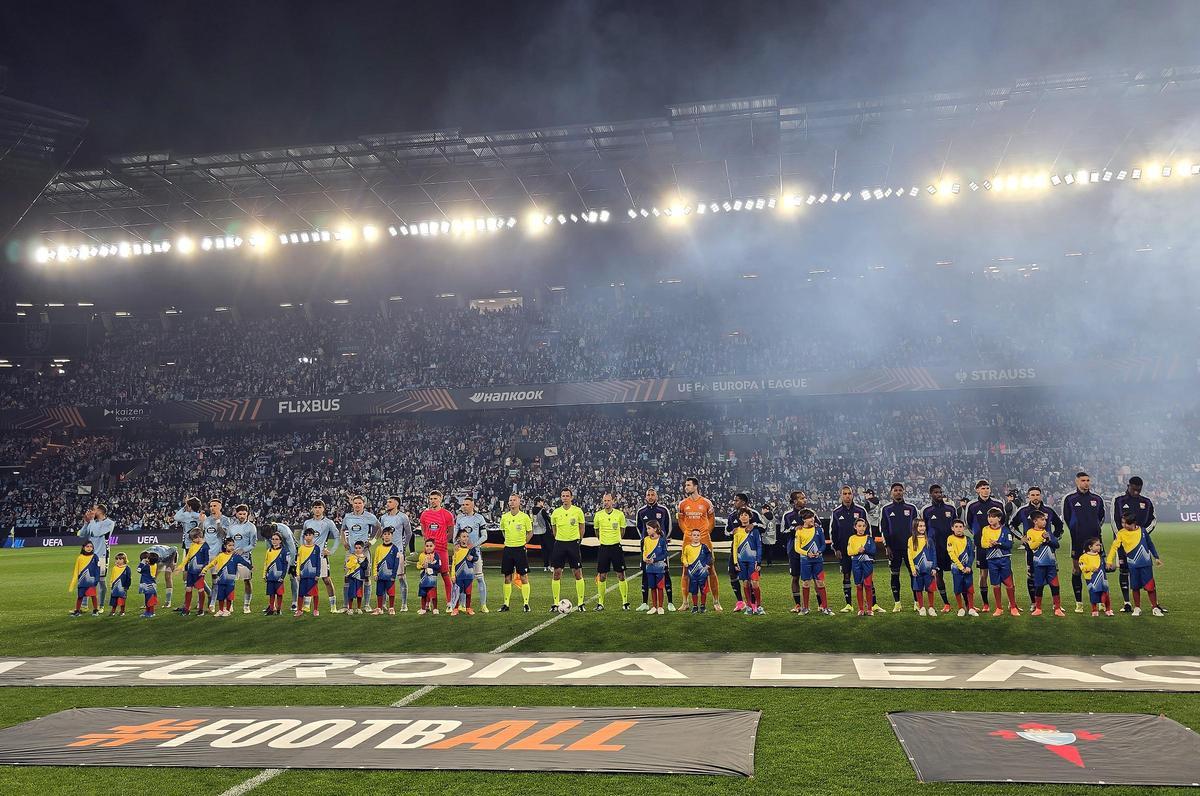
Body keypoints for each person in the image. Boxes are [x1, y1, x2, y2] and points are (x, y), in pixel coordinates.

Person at [1113, 476, 1162, 613]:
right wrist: (1123, 538)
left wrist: (1142, 534)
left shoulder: (1146, 501)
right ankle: (1127, 603)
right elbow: (1114, 521)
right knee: (1124, 569)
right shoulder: (1119, 500)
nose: (1136, 492)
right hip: (1123, 544)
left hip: (1141, 544)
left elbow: (1153, 519)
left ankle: (1154, 605)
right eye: (1134, 489)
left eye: (1139, 490)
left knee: (1146, 574)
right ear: (1128, 486)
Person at [1009, 486, 1064, 603]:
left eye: (1037, 495)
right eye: (1032, 495)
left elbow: (1060, 525)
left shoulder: (1049, 510)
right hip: (1031, 550)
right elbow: (1011, 525)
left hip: (1049, 550)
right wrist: (1021, 537)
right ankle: (1034, 603)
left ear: (1041, 495)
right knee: (1032, 575)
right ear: (1028, 496)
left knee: (1053, 575)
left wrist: (1054, 539)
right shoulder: (1023, 511)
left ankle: (1056, 605)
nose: (1035, 497)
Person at [1062, 472, 1105, 613]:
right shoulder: (1069, 499)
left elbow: (1101, 518)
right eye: (1083, 480)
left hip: (1095, 541)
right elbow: (1067, 519)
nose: (1086, 483)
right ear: (1077, 482)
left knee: (1098, 571)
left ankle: (1100, 603)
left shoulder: (1097, 499)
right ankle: (1079, 603)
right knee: (1077, 570)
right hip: (1078, 541)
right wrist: (1077, 531)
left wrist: (1095, 532)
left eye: (1088, 480)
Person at [1106, 511, 1164, 617]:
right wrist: (1109, 561)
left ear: (1133, 523)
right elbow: (1114, 547)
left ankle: (1155, 607)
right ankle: (1137, 608)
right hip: (1132, 565)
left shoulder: (1143, 531)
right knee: (1135, 587)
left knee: (1150, 587)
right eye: (1122, 523)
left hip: (1146, 564)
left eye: (1126, 523)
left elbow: (1150, 544)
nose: (1124, 525)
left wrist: (1156, 557)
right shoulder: (1121, 533)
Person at [678, 477, 720, 611]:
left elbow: (712, 521)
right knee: (685, 570)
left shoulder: (706, 502)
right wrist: (687, 533)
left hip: (704, 539)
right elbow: (680, 521)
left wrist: (705, 533)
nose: (686, 487)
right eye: (685, 485)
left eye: (688, 485)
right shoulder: (682, 504)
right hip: (688, 540)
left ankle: (716, 601)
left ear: (695, 486)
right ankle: (685, 602)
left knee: (711, 568)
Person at [965, 480, 1007, 611]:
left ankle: (1010, 603)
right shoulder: (972, 505)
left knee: (1004, 572)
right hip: (982, 546)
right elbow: (968, 523)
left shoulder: (998, 503)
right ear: (977, 490)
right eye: (982, 488)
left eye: (987, 488)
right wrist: (980, 537)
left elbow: (1004, 521)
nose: (986, 490)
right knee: (983, 574)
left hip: (997, 545)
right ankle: (985, 604)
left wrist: (996, 538)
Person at [920, 484, 959, 613]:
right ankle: (946, 603)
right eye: (936, 492)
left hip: (951, 547)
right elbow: (922, 529)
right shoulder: (926, 510)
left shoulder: (951, 509)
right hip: (935, 549)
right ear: (931, 494)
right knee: (938, 574)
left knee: (957, 573)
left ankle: (961, 602)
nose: (939, 494)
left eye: (940, 492)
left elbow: (957, 526)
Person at [880, 483, 919, 612]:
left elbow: (918, 527)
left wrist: (916, 545)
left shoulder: (912, 508)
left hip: (910, 548)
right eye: (895, 490)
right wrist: (887, 546)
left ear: (903, 492)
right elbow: (883, 528)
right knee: (894, 575)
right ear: (891, 493)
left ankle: (917, 602)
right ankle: (897, 603)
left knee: (914, 574)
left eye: (900, 490)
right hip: (894, 548)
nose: (898, 492)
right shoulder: (885, 509)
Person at [830, 486, 868, 613]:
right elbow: (833, 532)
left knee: (865, 576)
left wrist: (868, 546)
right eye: (845, 494)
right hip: (844, 551)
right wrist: (836, 548)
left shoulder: (861, 510)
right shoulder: (836, 512)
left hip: (861, 551)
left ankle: (869, 605)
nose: (847, 496)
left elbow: (868, 531)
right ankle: (848, 604)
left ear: (853, 495)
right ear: (841, 495)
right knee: (846, 575)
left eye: (849, 493)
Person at [549, 487, 587, 612]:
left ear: (571, 497)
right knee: (557, 573)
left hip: (573, 544)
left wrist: (578, 540)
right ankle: (555, 603)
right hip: (560, 544)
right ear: (561, 498)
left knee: (577, 573)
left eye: (567, 496)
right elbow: (554, 530)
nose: (565, 498)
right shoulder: (556, 512)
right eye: (563, 496)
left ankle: (581, 603)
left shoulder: (578, 511)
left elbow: (582, 528)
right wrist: (559, 538)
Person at [636, 488, 674, 611]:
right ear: (645, 497)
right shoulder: (641, 511)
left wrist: (661, 540)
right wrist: (644, 540)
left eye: (653, 495)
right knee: (646, 573)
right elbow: (639, 528)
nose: (651, 497)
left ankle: (670, 602)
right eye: (648, 495)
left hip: (660, 547)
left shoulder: (663, 510)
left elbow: (668, 527)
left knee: (665, 572)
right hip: (647, 548)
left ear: (656, 496)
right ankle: (644, 603)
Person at [726, 493, 766, 612]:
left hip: (751, 552)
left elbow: (763, 527)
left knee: (752, 579)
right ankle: (740, 602)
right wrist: (731, 532)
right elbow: (727, 531)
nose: (734, 502)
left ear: (743, 502)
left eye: (737, 500)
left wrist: (753, 525)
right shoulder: (732, 516)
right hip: (736, 551)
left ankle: (754, 604)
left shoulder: (754, 514)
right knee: (733, 574)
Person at [592, 493, 630, 611]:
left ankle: (625, 602)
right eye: (604, 500)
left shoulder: (619, 514)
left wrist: (615, 539)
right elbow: (597, 532)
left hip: (616, 547)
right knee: (602, 576)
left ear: (613, 501)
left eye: (608, 500)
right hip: (603, 547)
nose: (606, 502)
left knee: (621, 575)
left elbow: (622, 531)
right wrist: (604, 540)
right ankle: (600, 603)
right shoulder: (598, 515)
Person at [980, 507, 1020, 616]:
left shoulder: (1005, 530)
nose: (990, 519)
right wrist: (989, 544)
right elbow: (982, 543)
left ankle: (1013, 607)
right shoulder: (985, 529)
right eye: (989, 517)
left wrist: (999, 544)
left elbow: (1009, 545)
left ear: (999, 518)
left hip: (1004, 560)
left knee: (1009, 584)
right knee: (996, 585)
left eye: (993, 517)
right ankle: (999, 608)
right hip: (992, 561)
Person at [790, 509, 830, 615]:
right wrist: (807, 553)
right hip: (805, 561)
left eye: (812, 517)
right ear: (803, 519)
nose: (812, 519)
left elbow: (823, 544)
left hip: (818, 561)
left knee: (820, 583)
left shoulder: (819, 530)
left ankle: (825, 607)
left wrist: (819, 552)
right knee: (806, 583)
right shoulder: (799, 531)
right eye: (809, 517)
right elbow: (797, 548)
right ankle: (805, 608)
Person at [303, 500, 340, 613]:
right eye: (315, 507)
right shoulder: (307, 523)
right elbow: (302, 538)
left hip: (321, 557)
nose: (317, 509)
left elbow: (337, 537)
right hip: (309, 556)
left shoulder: (328, 523)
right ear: (312, 509)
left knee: (326, 580)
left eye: (319, 507)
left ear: (323, 509)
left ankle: (333, 606)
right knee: (309, 580)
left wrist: (331, 551)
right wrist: (302, 549)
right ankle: (307, 605)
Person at [1025, 510, 1064, 617]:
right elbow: (1032, 546)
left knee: (1055, 585)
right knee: (1038, 586)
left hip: (1051, 564)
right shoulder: (1030, 532)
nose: (1045, 521)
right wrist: (1042, 539)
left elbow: (1056, 544)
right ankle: (1038, 608)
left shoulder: (1048, 532)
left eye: (1045, 519)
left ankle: (1057, 608)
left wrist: (1049, 540)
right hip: (1039, 564)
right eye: (1042, 519)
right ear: (1035, 521)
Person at [419, 490, 456, 604]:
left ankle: (450, 602)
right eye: (431, 499)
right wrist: (427, 542)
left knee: (445, 574)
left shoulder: (447, 514)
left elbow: (451, 531)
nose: (433, 501)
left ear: (441, 499)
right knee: (429, 575)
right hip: (429, 551)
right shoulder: (425, 514)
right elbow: (423, 529)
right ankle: (429, 602)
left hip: (441, 549)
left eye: (435, 498)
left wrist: (444, 540)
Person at [499, 493, 533, 613]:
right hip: (508, 549)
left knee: (523, 576)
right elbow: (503, 530)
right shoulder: (505, 517)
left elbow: (530, 533)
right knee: (507, 577)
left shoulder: (524, 517)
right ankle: (506, 604)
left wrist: (522, 543)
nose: (512, 502)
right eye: (510, 500)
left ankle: (526, 604)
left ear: (519, 502)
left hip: (520, 549)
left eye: (514, 500)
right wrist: (509, 541)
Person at [78, 504, 114, 615]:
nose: (91, 511)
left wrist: (92, 521)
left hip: (102, 557)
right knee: (86, 580)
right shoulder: (93, 522)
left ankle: (101, 605)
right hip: (90, 556)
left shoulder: (109, 523)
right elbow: (81, 534)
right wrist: (86, 523)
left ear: (100, 511)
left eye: (94, 509)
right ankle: (84, 606)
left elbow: (97, 532)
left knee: (101, 582)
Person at [454, 496, 489, 613]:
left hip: (475, 553)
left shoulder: (479, 518)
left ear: (473, 505)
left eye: (467, 504)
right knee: (463, 579)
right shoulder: (459, 519)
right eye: (463, 505)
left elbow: (484, 536)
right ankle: (462, 605)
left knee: (479, 578)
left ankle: (483, 605)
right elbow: (455, 536)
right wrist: (456, 544)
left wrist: (473, 545)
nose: (464, 506)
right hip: (462, 554)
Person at [341, 495, 380, 599]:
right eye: (355, 503)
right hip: (351, 551)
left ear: (364, 504)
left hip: (364, 552)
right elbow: (343, 529)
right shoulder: (347, 517)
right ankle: (346, 605)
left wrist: (372, 541)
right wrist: (344, 541)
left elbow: (379, 528)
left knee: (366, 577)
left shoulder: (370, 516)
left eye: (359, 503)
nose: (357, 505)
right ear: (352, 504)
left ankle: (366, 604)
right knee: (347, 577)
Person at [380, 497, 413, 611]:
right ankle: (384, 603)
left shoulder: (403, 517)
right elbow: (382, 533)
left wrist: (404, 546)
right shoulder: (383, 518)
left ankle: (404, 604)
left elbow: (409, 533)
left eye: (390, 502)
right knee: (384, 577)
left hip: (398, 552)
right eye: (387, 502)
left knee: (401, 578)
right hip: (385, 552)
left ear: (397, 503)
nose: (387, 504)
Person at [202, 538, 249, 617]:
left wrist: (250, 567)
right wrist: (205, 569)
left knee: (229, 596)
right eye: (229, 545)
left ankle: (227, 610)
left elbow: (243, 562)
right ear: (225, 546)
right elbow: (213, 563)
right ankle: (220, 610)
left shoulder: (235, 556)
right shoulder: (220, 556)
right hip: (220, 581)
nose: (232, 547)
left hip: (230, 582)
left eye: (233, 545)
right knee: (221, 596)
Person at [261, 517, 299, 612]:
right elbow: (269, 550)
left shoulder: (284, 531)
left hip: (291, 553)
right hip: (277, 553)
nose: (269, 539)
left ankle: (295, 602)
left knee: (292, 576)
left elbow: (292, 549)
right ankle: (272, 605)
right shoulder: (268, 533)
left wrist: (291, 565)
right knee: (273, 577)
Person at [201, 498, 232, 612]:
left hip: (219, 555)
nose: (212, 508)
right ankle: (212, 598)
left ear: (220, 507)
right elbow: (200, 535)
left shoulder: (225, 520)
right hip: (207, 555)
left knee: (221, 580)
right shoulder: (207, 520)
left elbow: (223, 535)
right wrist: (201, 521)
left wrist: (218, 522)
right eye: (211, 506)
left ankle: (218, 603)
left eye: (214, 506)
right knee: (206, 578)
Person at [226, 504, 257, 614]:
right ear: (236, 514)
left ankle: (246, 605)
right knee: (230, 582)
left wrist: (243, 550)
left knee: (247, 581)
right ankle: (230, 605)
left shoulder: (251, 527)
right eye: (240, 514)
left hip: (245, 558)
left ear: (247, 514)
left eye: (244, 514)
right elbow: (227, 541)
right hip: (232, 559)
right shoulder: (232, 527)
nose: (242, 516)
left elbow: (253, 544)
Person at [907, 517, 938, 617]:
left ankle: (931, 607)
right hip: (917, 569)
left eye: (924, 526)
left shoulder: (929, 540)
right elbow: (910, 556)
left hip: (929, 569)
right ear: (915, 527)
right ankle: (922, 608)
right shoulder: (911, 540)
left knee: (930, 589)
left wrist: (934, 567)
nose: (922, 528)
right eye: (920, 526)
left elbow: (934, 554)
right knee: (918, 589)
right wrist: (912, 569)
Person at [946, 519, 979, 616]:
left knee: (969, 588)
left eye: (960, 527)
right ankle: (961, 608)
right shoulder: (950, 538)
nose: (959, 529)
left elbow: (971, 554)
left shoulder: (968, 539)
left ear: (964, 528)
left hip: (967, 569)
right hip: (956, 568)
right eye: (956, 527)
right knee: (957, 588)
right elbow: (951, 554)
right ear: (952, 528)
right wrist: (961, 567)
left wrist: (968, 566)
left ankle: (971, 608)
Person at [847, 517, 876, 616]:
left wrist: (865, 550)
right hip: (856, 563)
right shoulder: (852, 538)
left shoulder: (869, 538)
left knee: (868, 585)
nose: (861, 528)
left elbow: (873, 551)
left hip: (867, 564)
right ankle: (861, 609)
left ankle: (870, 609)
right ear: (855, 527)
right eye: (859, 526)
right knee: (859, 586)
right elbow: (849, 552)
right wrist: (857, 551)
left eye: (863, 526)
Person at [1078, 537, 1114, 616]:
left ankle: (1108, 609)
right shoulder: (1083, 557)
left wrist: (1111, 568)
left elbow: (1104, 567)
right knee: (1093, 593)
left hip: (1102, 579)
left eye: (1100, 545)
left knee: (1106, 593)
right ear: (1090, 547)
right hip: (1091, 579)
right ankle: (1094, 610)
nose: (1099, 547)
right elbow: (1082, 568)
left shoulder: (1100, 556)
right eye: (1097, 545)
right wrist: (1092, 569)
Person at [179, 527, 211, 616]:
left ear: (198, 537)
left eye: (193, 538)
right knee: (188, 589)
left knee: (200, 590)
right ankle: (186, 609)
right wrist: (181, 566)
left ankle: (201, 610)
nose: (192, 541)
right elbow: (188, 557)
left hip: (199, 572)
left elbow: (206, 561)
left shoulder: (205, 546)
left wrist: (204, 570)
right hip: (190, 572)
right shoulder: (193, 545)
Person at [682, 528, 713, 613]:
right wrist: (685, 562)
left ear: (700, 537)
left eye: (698, 535)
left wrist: (707, 565)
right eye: (694, 535)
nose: (696, 537)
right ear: (691, 537)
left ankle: (703, 606)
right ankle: (695, 606)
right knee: (693, 590)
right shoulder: (687, 547)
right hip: (692, 573)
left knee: (703, 590)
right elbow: (684, 556)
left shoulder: (704, 547)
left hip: (702, 573)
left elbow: (709, 556)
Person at [641, 519, 668, 615]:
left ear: (655, 529)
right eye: (646, 528)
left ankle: (660, 607)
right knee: (652, 587)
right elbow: (644, 551)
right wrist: (644, 558)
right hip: (649, 567)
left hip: (659, 567)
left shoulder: (662, 540)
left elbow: (665, 554)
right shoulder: (646, 539)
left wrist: (655, 560)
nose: (647, 530)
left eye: (649, 528)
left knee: (660, 587)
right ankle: (653, 607)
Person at [450, 529, 479, 616]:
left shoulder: (471, 548)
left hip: (469, 575)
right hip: (458, 575)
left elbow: (476, 558)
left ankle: (468, 608)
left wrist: (472, 558)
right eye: (463, 536)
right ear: (459, 538)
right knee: (457, 592)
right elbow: (454, 563)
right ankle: (455, 608)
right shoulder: (457, 549)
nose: (466, 538)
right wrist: (453, 575)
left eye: (467, 536)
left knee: (468, 592)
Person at [294, 527, 323, 617]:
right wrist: (298, 573)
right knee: (301, 593)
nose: (308, 537)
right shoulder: (301, 548)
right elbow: (298, 561)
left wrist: (318, 574)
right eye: (306, 535)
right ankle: (299, 610)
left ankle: (315, 609)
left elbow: (318, 562)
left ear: (313, 536)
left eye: (310, 535)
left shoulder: (316, 548)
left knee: (315, 593)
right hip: (303, 575)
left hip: (313, 575)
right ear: (304, 537)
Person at [373, 526, 401, 615]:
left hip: (390, 575)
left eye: (389, 534)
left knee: (391, 592)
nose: (387, 536)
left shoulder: (395, 548)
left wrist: (393, 575)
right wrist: (375, 573)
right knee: (379, 591)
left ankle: (391, 608)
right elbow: (375, 562)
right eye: (385, 534)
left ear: (392, 536)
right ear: (382, 536)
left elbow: (396, 563)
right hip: (380, 575)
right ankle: (379, 608)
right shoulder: (378, 548)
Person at [68, 540, 101, 617]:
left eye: (91, 547)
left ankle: (95, 610)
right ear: (83, 547)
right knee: (80, 596)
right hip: (82, 581)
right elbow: (76, 571)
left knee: (93, 596)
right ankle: (77, 611)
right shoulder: (80, 558)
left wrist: (96, 579)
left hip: (91, 581)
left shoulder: (95, 557)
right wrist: (72, 585)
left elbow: (97, 569)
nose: (89, 548)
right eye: (87, 546)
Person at [263, 530, 291, 616]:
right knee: (271, 594)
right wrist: (264, 575)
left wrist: (282, 576)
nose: (274, 541)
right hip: (270, 576)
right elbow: (266, 563)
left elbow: (286, 565)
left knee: (279, 593)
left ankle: (279, 609)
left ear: (280, 541)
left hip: (279, 576)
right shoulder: (269, 551)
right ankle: (271, 609)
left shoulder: (284, 551)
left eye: (276, 539)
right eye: (273, 539)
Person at [145, 543, 178, 609]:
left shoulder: (166, 554)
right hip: (158, 557)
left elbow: (174, 548)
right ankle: (150, 601)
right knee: (152, 578)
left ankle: (168, 602)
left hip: (171, 557)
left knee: (167, 577)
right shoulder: (145, 554)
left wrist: (172, 562)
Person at [343, 541, 369, 614]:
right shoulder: (351, 557)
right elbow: (348, 566)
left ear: (362, 549)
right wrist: (354, 561)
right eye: (356, 548)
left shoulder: (364, 558)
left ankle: (358, 608)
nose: (357, 549)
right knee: (351, 593)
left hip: (360, 578)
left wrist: (360, 561)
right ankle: (350, 608)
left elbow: (365, 567)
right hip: (352, 578)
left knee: (359, 594)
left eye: (359, 548)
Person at [417, 539, 442, 615]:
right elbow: (419, 564)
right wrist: (421, 566)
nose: (429, 547)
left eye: (431, 546)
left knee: (433, 594)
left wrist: (429, 565)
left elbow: (438, 566)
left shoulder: (436, 555)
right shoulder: (421, 555)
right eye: (427, 546)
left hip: (432, 578)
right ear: (425, 546)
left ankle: (435, 608)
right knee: (423, 594)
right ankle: (423, 608)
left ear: (434, 546)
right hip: (423, 578)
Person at [136, 550, 160, 619]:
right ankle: (147, 612)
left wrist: (142, 562)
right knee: (149, 599)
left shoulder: (147, 567)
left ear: (149, 560)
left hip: (147, 585)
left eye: (147, 558)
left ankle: (151, 613)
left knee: (149, 599)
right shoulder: (155, 565)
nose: (146, 559)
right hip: (152, 584)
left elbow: (139, 570)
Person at [532, 497, 553, 571]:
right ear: (538, 502)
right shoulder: (542, 510)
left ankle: (545, 566)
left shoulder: (532, 510)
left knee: (544, 549)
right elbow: (549, 519)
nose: (543, 503)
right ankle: (552, 565)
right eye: (542, 501)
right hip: (545, 530)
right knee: (550, 548)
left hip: (538, 531)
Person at [107, 551, 131, 617]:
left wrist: (126, 586)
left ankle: (122, 611)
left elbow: (129, 578)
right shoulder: (114, 568)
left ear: (124, 560)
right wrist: (111, 584)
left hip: (123, 587)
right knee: (114, 599)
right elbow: (112, 577)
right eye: (117, 559)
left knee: (122, 599)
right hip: (115, 587)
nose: (118, 560)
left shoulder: (127, 569)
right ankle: (113, 611)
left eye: (120, 559)